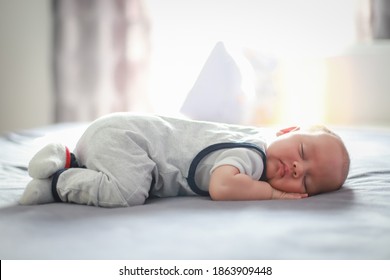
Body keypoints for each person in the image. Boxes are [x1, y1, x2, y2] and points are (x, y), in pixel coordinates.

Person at [19, 113, 350, 208]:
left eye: (306, 180)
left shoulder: (246, 135)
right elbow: (222, 186)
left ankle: (69, 159)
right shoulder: (254, 157)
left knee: (129, 175)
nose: (297, 168)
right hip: (129, 140)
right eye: (303, 153)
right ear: (287, 130)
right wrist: (276, 195)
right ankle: (59, 183)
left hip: (113, 134)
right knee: (126, 193)